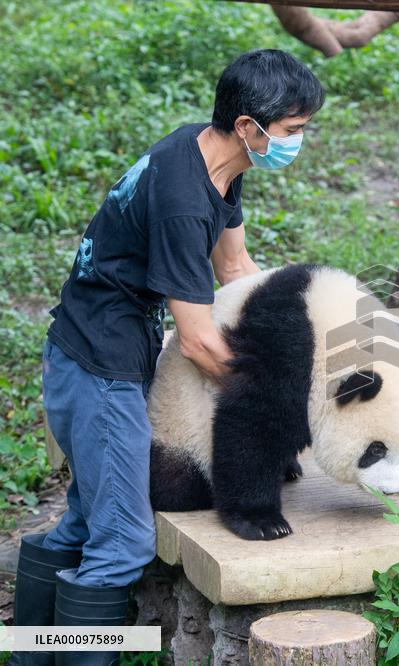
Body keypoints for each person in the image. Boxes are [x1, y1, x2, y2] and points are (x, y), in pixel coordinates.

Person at [9, 49, 324, 666]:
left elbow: (234, 269)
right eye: (292, 131)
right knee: (124, 540)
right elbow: (201, 340)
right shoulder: (184, 202)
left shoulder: (212, 159)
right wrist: (283, 397)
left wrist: (294, 335)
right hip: (99, 366)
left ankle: (26, 655)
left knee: (86, 519)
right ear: (248, 126)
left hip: (98, 347)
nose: (298, 141)